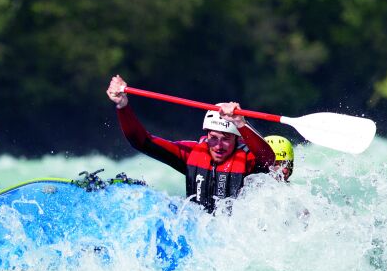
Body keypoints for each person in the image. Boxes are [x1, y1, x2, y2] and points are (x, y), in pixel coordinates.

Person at [106, 74, 276, 212]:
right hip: (199, 235)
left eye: (226, 139)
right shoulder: (191, 154)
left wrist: (240, 123)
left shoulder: (246, 159)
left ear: (237, 139)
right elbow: (142, 142)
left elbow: (269, 160)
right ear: (206, 134)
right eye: (214, 137)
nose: (218, 145)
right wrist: (123, 106)